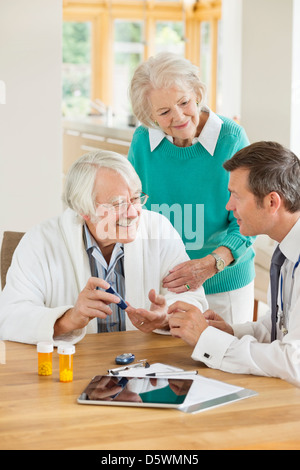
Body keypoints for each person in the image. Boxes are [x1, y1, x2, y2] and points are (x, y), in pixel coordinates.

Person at [0, 150, 207, 345]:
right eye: (117, 204)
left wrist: (165, 317)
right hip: (71, 368)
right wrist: (70, 318)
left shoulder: (159, 230)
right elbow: (9, 317)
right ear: (84, 210)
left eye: (135, 198)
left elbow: (192, 298)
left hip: (145, 364)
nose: (134, 213)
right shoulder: (40, 241)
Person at [128, 52, 255, 324]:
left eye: (184, 102)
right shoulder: (142, 141)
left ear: (197, 93)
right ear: (149, 117)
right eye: (163, 112)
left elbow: (248, 221)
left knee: (225, 361)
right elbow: (131, 207)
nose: (179, 117)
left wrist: (211, 264)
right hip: (165, 286)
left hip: (223, 285)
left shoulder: (231, 139)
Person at [168, 141, 300, 387]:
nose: (229, 206)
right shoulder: (286, 249)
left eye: (236, 196)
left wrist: (208, 340)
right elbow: (279, 328)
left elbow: (294, 360)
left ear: (272, 202)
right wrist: (229, 332)